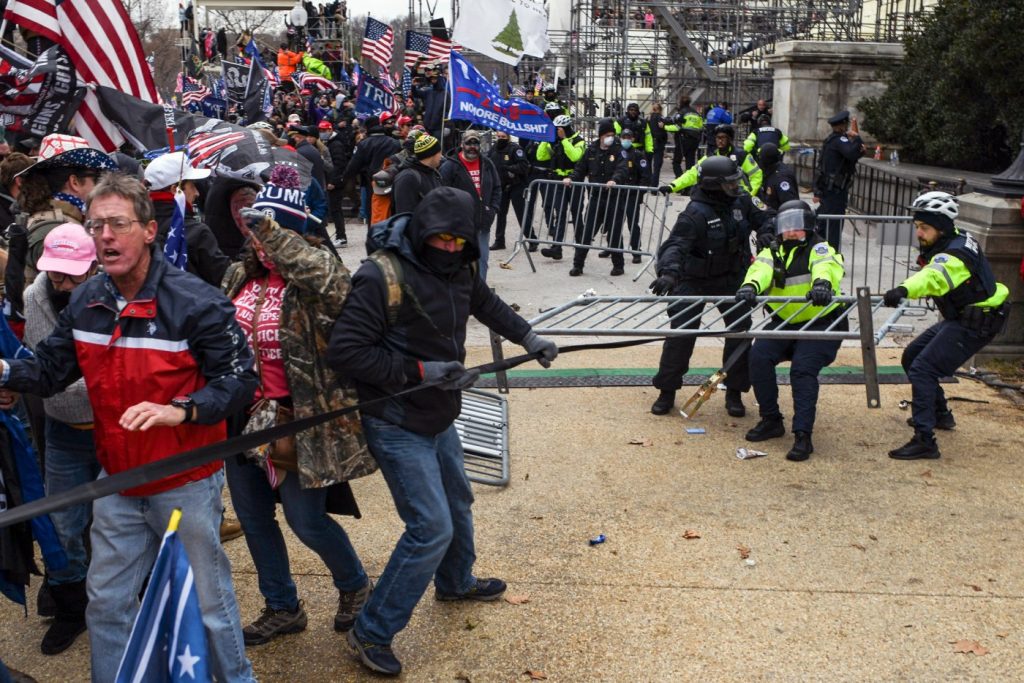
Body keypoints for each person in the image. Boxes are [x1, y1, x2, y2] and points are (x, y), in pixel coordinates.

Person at [0, 173, 258, 682]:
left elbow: (240, 381)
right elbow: (51, 370)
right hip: (117, 481)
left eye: (117, 224)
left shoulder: (196, 301)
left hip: (184, 481)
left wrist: (181, 409)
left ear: (147, 230)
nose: (105, 236)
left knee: (209, 604)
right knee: (108, 605)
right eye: (95, 225)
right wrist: (8, 373)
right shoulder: (88, 299)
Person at [327, 187, 558, 676]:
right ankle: (371, 630)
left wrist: (528, 335)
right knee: (430, 528)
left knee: (457, 504)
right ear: (422, 231)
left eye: (460, 241)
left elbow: (488, 305)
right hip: (395, 420)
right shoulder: (380, 276)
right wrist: (422, 372)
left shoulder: (463, 267)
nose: (451, 248)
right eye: (443, 240)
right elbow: (346, 353)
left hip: (440, 415)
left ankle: (455, 581)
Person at [220, 166, 377, 645]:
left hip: (300, 420)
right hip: (242, 420)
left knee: (305, 520)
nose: (261, 244)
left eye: (272, 232)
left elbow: (327, 280)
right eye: (256, 233)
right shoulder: (238, 273)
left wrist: (271, 229)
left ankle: (355, 586)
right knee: (253, 518)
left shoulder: (318, 273)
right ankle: (282, 606)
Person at [882, 191, 1009, 460]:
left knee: (923, 368)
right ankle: (940, 415)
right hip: (962, 317)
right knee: (912, 356)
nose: (919, 233)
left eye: (924, 228)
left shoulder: (956, 253)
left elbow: (934, 276)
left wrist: (903, 289)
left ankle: (925, 440)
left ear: (942, 226)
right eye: (917, 227)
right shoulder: (953, 237)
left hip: (976, 322)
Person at [22, 224, 99, 655]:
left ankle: (138, 596)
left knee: (125, 520)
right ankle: (72, 609)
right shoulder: (35, 297)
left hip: (113, 427)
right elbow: (45, 370)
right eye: (56, 275)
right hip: (63, 431)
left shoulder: (112, 291)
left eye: (73, 275)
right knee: (64, 525)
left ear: (93, 267)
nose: (64, 283)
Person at [648, 156, 773, 417]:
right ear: (714, 185)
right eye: (731, 183)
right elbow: (675, 246)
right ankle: (667, 391)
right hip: (694, 279)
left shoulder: (743, 201)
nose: (737, 186)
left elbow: (768, 217)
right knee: (681, 334)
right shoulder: (694, 214)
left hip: (732, 277)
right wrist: (669, 274)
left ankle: (735, 392)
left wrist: (766, 231)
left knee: (739, 334)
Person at [735, 200, 845, 461]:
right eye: (787, 228)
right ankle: (771, 420)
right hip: (786, 322)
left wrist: (822, 284)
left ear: (808, 227)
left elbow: (826, 266)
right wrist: (751, 285)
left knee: (802, 370)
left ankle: (803, 435)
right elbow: (760, 269)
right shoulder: (772, 250)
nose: (792, 233)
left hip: (821, 322)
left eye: (797, 228)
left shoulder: (820, 247)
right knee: (759, 357)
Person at [143, 151, 230, 286]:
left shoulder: (138, 226)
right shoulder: (197, 232)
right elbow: (226, 278)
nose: (197, 192)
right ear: (174, 190)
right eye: (192, 186)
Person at [566, 118, 629, 277]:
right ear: (601, 135)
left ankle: (618, 266)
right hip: (596, 198)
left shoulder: (618, 150)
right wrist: (572, 178)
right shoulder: (591, 150)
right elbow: (580, 168)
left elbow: (622, 169)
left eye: (613, 134)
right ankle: (578, 265)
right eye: (608, 134)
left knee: (614, 233)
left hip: (614, 198)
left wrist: (615, 180)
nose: (611, 137)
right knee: (587, 233)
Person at [438, 131, 501, 281]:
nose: (472, 147)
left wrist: (493, 210)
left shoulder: (487, 164)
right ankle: (462, 293)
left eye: (476, 143)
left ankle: (480, 295)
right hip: (459, 226)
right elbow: (441, 194)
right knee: (460, 262)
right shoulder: (449, 167)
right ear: (461, 144)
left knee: (482, 261)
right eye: (468, 143)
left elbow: (497, 188)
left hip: (482, 223)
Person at [813, 110, 865, 251]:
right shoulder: (840, 140)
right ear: (842, 125)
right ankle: (832, 256)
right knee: (834, 227)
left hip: (828, 189)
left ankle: (820, 253)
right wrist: (858, 139)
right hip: (835, 191)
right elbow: (851, 153)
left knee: (824, 225)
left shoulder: (831, 140)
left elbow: (851, 156)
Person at [661, 124, 762, 197]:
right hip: (716, 197)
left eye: (723, 137)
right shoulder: (710, 157)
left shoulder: (741, 155)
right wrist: (672, 187)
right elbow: (692, 174)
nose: (719, 140)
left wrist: (749, 195)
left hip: (737, 197)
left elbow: (756, 175)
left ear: (730, 139)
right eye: (717, 138)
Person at [537, 115, 586, 262]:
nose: (558, 132)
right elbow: (540, 156)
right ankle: (557, 248)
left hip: (575, 181)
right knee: (560, 214)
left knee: (576, 214)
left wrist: (564, 139)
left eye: (560, 129)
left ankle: (581, 247)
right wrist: (546, 138)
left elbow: (575, 157)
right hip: (558, 181)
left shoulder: (579, 140)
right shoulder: (554, 141)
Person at [487, 131, 529, 251]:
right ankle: (499, 241)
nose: (500, 139)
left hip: (516, 186)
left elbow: (523, 166)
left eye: (503, 137)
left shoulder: (515, 149)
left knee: (521, 214)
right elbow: (487, 162)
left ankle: (531, 239)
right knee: (500, 214)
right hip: (501, 187)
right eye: (499, 137)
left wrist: (508, 168)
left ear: (508, 137)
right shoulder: (494, 148)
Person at [392, 134, 443, 215]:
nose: (441, 156)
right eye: (439, 152)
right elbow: (404, 215)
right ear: (431, 154)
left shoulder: (433, 172)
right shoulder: (407, 177)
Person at [665, 95, 703, 179]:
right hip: (695, 141)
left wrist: (664, 127)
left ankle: (680, 182)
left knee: (676, 162)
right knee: (690, 165)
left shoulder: (682, 113)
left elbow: (677, 127)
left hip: (683, 140)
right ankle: (688, 187)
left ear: (681, 103)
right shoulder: (696, 113)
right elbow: (701, 127)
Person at [757, 143, 800, 211]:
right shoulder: (769, 172)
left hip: (780, 218)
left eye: (760, 158)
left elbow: (789, 205)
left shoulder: (782, 178)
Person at [647, 102, 668, 186]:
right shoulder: (661, 118)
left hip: (649, 143)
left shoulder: (648, 118)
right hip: (658, 143)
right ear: (660, 110)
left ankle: (648, 183)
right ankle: (654, 187)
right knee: (657, 166)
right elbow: (664, 132)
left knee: (648, 165)